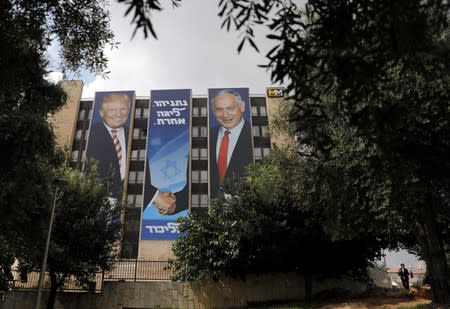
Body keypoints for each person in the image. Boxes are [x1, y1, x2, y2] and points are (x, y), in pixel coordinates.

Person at [85, 92, 131, 199]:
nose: (119, 114)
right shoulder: (91, 134)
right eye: (112, 110)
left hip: (123, 201)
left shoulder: (133, 135)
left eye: (123, 109)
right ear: (101, 112)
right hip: (96, 197)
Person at [209, 89, 253, 199]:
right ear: (214, 112)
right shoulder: (206, 136)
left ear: (242, 107)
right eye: (219, 109)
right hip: (211, 207)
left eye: (230, 108)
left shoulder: (255, 133)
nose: (225, 114)